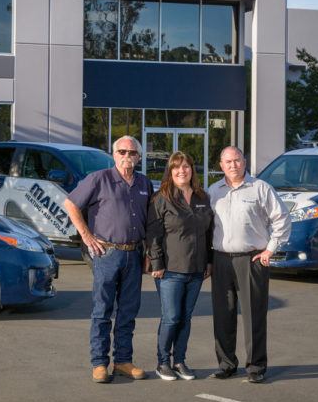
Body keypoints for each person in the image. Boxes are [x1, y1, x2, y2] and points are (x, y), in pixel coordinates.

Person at [64, 135, 153, 384]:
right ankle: (99, 363)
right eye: (122, 152)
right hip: (107, 254)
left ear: (139, 157)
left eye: (132, 153)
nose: (127, 156)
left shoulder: (144, 183)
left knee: (128, 311)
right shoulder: (99, 179)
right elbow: (70, 204)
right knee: (102, 310)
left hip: (134, 254)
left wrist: (148, 253)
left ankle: (123, 361)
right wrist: (87, 236)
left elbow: (149, 221)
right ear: (114, 155)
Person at [208, 146, 291, 383]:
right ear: (221, 165)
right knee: (223, 314)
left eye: (237, 160)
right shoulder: (213, 191)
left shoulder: (260, 188)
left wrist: (270, 249)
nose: (233, 165)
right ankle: (226, 364)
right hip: (221, 259)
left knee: (254, 314)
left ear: (244, 162)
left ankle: (255, 366)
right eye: (227, 161)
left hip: (252, 258)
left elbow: (282, 218)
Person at [146, 152, 214, 381]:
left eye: (186, 166)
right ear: (170, 171)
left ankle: (179, 361)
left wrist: (209, 261)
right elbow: (153, 235)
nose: (182, 171)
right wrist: (156, 263)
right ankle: (163, 362)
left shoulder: (202, 197)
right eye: (176, 167)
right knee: (172, 317)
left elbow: (209, 232)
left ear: (192, 170)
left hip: (196, 270)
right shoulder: (161, 198)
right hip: (170, 271)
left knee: (186, 318)